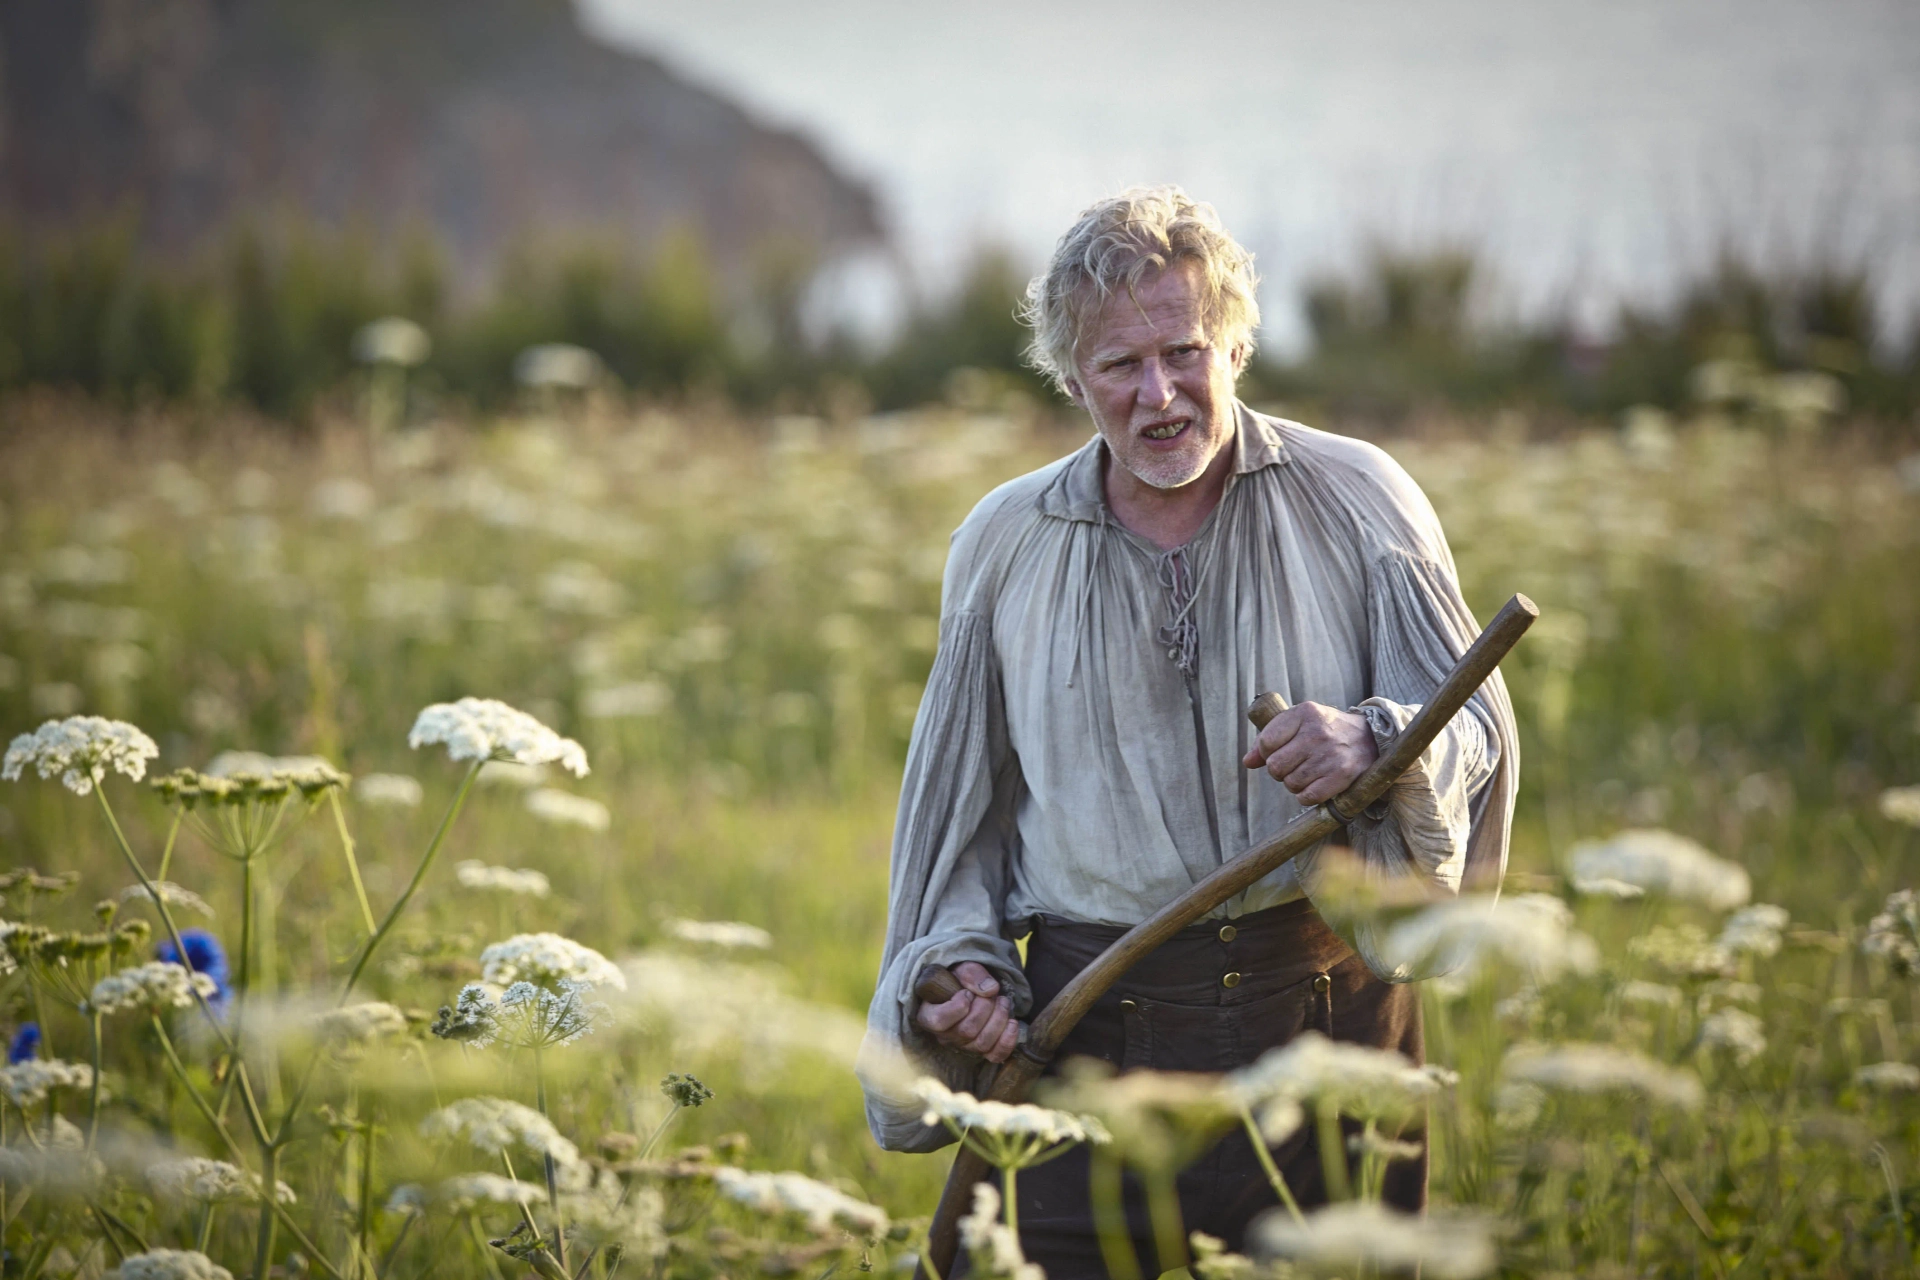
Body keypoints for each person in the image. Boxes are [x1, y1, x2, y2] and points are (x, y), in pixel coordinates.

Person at [856, 186, 1518, 1274]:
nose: (1159, 394)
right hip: (1090, 1035)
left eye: (1185, 350)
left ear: (1237, 347)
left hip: (1325, 1027)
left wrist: (1377, 742)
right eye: (1120, 366)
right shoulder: (1003, 544)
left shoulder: (1361, 497)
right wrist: (957, 971)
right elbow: (954, 824)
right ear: (1073, 379)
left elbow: (1476, 725)